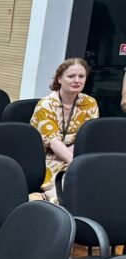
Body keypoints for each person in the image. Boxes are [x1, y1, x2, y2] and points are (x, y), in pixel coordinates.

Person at [30, 58, 98, 194]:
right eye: (71, 76)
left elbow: (88, 136)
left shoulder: (90, 103)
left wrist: (70, 153)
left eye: (81, 76)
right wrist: (78, 167)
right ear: (59, 79)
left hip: (77, 155)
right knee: (71, 188)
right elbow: (53, 142)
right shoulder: (46, 104)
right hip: (49, 158)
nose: (77, 80)